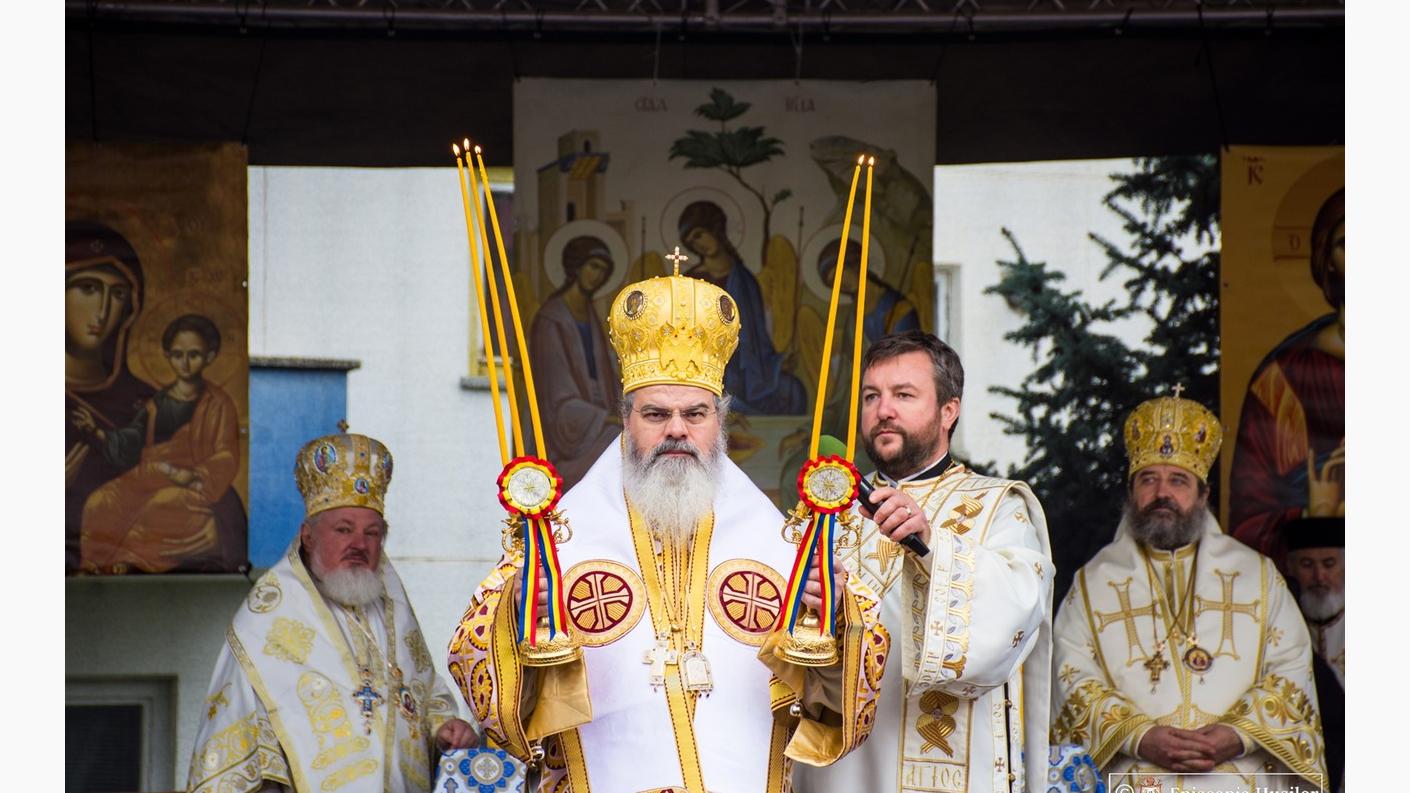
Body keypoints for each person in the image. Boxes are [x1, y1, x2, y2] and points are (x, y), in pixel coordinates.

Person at [447, 265, 889, 792]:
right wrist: (515, 619)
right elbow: (490, 698)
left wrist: (837, 621)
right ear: (626, 419)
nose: (676, 429)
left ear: (720, 420)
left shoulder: (783, 547)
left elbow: (838, 712)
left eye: (694, 413)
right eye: (656, 414)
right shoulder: (558, 543)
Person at [793, 330, 1055, 793]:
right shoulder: (825, 510)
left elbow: (1018, 612)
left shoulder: (997, 506)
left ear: (948, 411)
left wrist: (935, 548)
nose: (883, 410)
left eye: (904, 395)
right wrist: (816, 609)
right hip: (844, 771)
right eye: (872, 396)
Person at [1051, 393, 1326, 792]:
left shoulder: (1258, 575)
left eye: (1178, 480)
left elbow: (1291, 670)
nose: (1162, 493)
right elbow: (1070, 677)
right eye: (1149, 479)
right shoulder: (1093, 583)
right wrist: (1140, 735)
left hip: (1237, 778)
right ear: (1131, 493)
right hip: (1133, 778)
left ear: (1203, 495)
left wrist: (1237, 735)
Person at [186, 431, 476, 793]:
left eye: (372, 533)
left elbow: (425, 693)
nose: (359, 544)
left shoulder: (393, 609)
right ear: (308, 536)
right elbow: (240, 746)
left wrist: (445, 729)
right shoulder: (267, 620)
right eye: (344, 530)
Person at [76, 313, 248, 573]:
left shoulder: (218, 404)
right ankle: (96, 565)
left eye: (194, 354)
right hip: (151, 476)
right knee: (101, 501)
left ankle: (128, 562)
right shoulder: (157, 402)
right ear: (168, 356)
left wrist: (188, 475)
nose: (185, 363)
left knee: (160, 507)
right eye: (178, 355)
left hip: (197, 486)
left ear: (209, 357)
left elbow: (225, 454)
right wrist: (97, 432)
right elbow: (133, 439)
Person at [1229, 189, 1344, 565]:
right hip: (1310, 588)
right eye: (1348, 243)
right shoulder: (1283, 379)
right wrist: (1313, 511)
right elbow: (1248, 522)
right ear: (1327, 260)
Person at [66, 220, 155, 572]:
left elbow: (216, 502)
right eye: (87, 288)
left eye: (117, 293)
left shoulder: (146, 404)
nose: (103, 310)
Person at [679, 199, 807, 415]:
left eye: (699, 234)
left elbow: (758, 338)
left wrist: (777, 364)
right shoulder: (692, 280)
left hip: (747, 366)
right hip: (705, 364)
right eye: (691, 242)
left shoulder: (746, 281)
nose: (697, 245)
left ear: (715, 229)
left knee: (793, 391)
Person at [528, 235, 622, 488]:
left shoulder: (590, 314)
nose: (598, 276)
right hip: (569, 426)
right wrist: (606, 418)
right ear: (576, 266)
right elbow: (557, 393)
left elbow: (604, 372)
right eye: (593, 267)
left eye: (604, 271)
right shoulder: (551, 319)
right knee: (619, 442)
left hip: (597, 413)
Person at [1285, 521, 1343, 791]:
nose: (1319, 576)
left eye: (1329, 564)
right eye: (1307, 565)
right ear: (1291, 568)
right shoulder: (1279, 628)